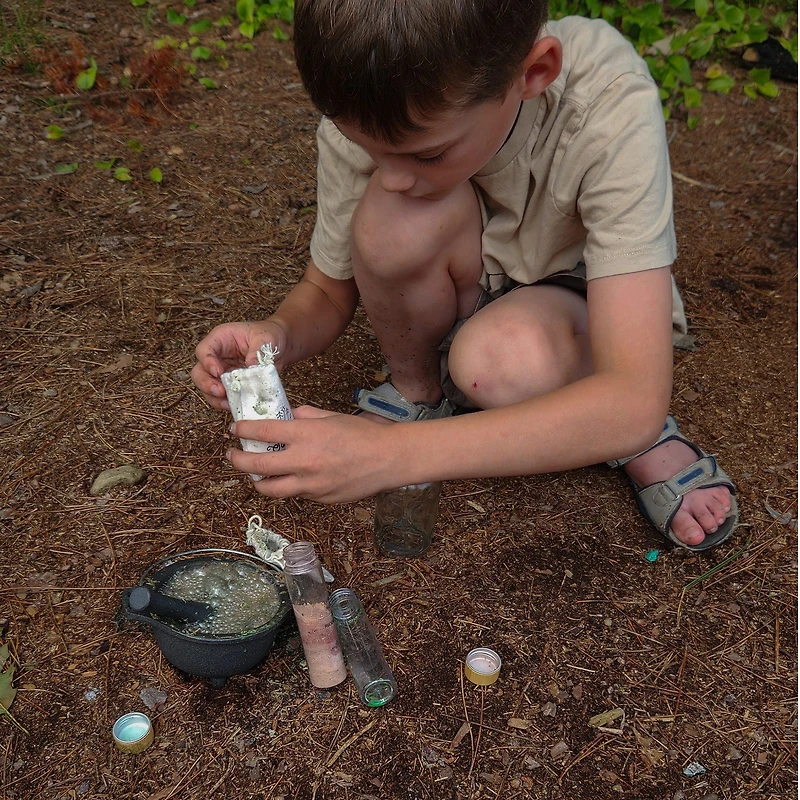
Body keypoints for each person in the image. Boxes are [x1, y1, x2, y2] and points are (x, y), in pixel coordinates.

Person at [191, 0, 738, 552]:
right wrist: (279, 334)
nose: (395, 178)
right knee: (390, 225)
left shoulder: (605, 97)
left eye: (428, 155)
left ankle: (636, 442)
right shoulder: (377, 98)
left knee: (497, 363)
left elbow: (634, 398)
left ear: (534, 72)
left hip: (584, 298)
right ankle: (416, 390)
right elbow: (326, 292)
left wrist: (391, 457)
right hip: (475, 278)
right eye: (369, 151)